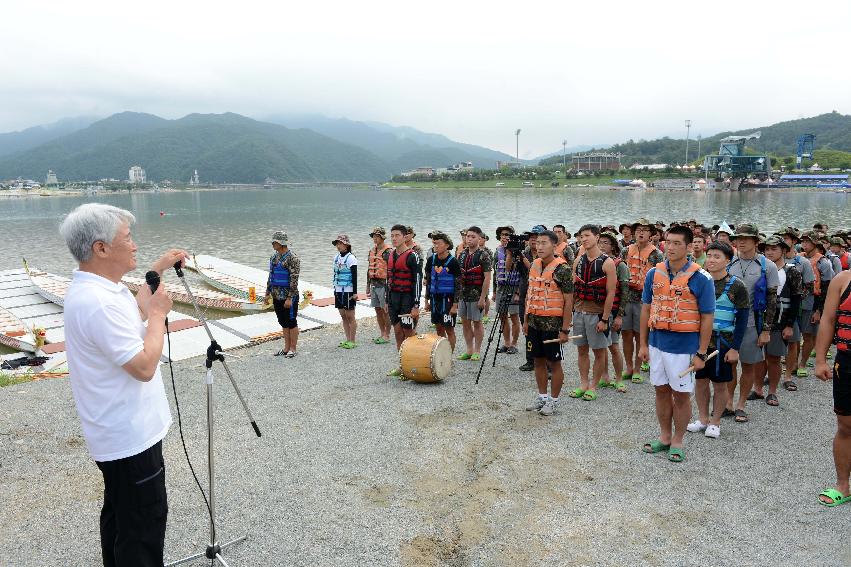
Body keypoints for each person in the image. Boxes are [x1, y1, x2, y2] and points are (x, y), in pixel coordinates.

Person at [60, 203, 187, 567]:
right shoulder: (98, 301)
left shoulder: (102, 289)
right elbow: (144, 366)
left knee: (121, 519)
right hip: (129, 437)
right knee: (142, 530)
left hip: (119, 434)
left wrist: (156, 275)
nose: (134, 245)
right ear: (100, 248)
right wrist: (159, 315)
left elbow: (125, 331)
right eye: (127, 238)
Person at [639, 225, 715, 462]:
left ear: (689, 246)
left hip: (684, 347)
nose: (670, 248)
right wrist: (643, 343)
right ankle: (664, 436)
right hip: (656, 343)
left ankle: (678, 440)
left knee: (681, 395)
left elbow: (707, 317)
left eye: (676, 243)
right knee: (660, 391)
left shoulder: (701, 277)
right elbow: (646, 309)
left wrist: (701, 353)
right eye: (668, 242)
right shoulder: (654, 273)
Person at [687, 242, 749, 439]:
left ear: (728, 260)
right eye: (710, 256)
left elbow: (742, 319)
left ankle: (716, 421)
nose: (712, 260)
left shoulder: (737, 285)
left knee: (720, 384)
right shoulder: (698, 280)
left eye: (717, 257)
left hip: (724, 341)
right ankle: (703, 419)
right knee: (701, 381)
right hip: (700, 341)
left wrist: (735, 348)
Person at [725, 224, 778, 423]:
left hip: (752, 323)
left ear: (756, 241)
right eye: (738, 238)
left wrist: (766, 330)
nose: (741, 241)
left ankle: (741, 404)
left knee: (748, 366)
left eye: (746, 238)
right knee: (728, 364)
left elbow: (773, 300)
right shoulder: (729, 262)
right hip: (729, 323)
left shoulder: (767, 266)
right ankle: (728, 402)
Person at [524, 230, 574, 416]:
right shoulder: (534, 265)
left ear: (554, 245)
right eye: (537, 243)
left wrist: (565, 330)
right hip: (534, 323)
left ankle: (553, 401)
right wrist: (526, 320)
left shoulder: (563, 269)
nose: (539, 246)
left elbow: (569, 301)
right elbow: (530, 294)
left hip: (553, 325)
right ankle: (542, 397)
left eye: (544, 243)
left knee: (554, 363)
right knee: (537, 361)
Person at [814, 270, 851, 507]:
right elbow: (828, 320)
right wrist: (820, 360)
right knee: (846, 425)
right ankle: (843, 485)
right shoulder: (843, 279)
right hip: (847, 361)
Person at [568, 224, 617, 401]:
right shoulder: (578, 261)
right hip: (580, 312)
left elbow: (611, 292)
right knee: (581, 350)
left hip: (597, 314)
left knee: (599, 351)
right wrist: (570, 314)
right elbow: (573, 289)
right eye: (581, 236)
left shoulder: (608, 263)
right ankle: (583, 383)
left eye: (587, 235)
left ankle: (594, 385)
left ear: (597, 237)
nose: (584, 239)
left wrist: (604, 319)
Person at [752, 235, 802, 404]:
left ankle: (772, 391)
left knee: (773, 358)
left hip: (780, 321)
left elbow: (796, 300)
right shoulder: (759, 268)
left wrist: (789, 325)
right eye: (767, 249)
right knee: (758, 357)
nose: (770, 252)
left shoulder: (792, 271)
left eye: (774, 249)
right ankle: (757, 389)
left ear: (783, 250)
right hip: (759, 319)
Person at [621, 218, 664, 383]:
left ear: (651, 234)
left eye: (645, 230)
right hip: (626, 298)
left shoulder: (656, 254)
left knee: (640, 335)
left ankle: (638, 369)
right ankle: (629, 367)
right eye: (638, 229)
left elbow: (660, 278)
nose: (641, 232)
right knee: (626, 334)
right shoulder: (625, 251)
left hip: (644, 300)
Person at [779, 227, 815, 384]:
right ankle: (774, 371)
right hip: (776, 307)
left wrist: (798, 301)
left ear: (794, 241)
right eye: (782, 238)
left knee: (794, 340)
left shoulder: (802, 262)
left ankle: (790, 372)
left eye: (787, 238)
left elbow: (809, 285)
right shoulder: (773, 260)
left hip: (796, 307)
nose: (784, 241)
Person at [386, 225, 423, 376]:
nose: (394, 238)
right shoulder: (391, 255)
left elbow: (417, 281)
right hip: (394, 298)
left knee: (408, 331)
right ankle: (403, 366)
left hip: (407, 298)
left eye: (397, 235)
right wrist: (387, 301)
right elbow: (388, 280)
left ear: (405, 237)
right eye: (392, 235)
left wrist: (416, 305)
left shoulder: (412, 255)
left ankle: (416, 364)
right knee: (397, 332)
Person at [797, 231, 835, 377]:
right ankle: (793, 362)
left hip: (813, 301)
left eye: (808, 242)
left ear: (815, 243)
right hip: (798, 299)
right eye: (803, 242)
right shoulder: (798, 259)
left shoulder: (823, 262)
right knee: (795, 336)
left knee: (808, 335)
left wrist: (819, 310)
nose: (805, 244)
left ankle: (802, 364)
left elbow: (826, 288)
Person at [598, 231, 629, 393]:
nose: (601, 246)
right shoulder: (595, 262)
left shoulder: (620, 265)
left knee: (614, 346)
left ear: (613, 246)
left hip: (614, 311)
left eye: (605, 243)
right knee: (600, 346)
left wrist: (619, 316)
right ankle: (604, 376)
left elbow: (625, 292)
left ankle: (619, 379)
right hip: (598, 311)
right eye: (599, 242)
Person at [457, 226, 492, 361]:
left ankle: (477, 350)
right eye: (468, 236)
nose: (470, 239)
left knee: (477, 323)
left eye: (473, 237)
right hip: (463, 295)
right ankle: (469, 350)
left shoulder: (483, 255)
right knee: (465, 323)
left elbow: (487, 278)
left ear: (479, 238)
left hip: (476, 294)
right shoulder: (462, 254)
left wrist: (483, 298)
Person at [424, 231, 462, 351]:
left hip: (448, 300)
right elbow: (429, 281)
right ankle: (441, 354)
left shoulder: (453, 262)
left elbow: (458, 285)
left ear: (446, 245)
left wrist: (455, 305)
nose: (435, 246)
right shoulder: (431, 260)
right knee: (439, 328)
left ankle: (449, 355)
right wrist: (426, 301)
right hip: (435, 299)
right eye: (434, 243)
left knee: (449, 329)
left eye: (438, 243)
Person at [266, 230, 301, 358]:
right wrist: (267, 293)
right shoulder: (273, 257)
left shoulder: (293, 258)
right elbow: (271, 276)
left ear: (281, 243)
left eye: (275, 242)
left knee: (291, 321)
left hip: (288, 296)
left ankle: (293, 348)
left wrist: (290, 298)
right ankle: (286, 348)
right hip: (276, 295)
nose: (273, 244)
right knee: (282, 322)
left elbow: (294, 279)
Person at [518, 227, 545, 371]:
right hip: (525, 294)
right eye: (531, 237)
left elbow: (535, 271)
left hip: (541, 297)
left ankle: (546, 362)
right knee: (527, 328)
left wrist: (522, 258)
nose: (533, 240)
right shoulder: (524, 252)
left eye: (536, 237)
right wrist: (512, 253)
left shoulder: (547, 255)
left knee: (542, 330)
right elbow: (510, 268)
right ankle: (530, 359)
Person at [493, 226, 521, 354]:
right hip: (501, 286)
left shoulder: (518, 251)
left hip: (514, 286)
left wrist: (518, 292)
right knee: (502, 315)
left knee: (514, 316)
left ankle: (514, 344)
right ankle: (506, 342)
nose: (505, 237)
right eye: (503, 234)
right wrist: (494, 291)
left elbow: (523, 273)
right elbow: (495, 272)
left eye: (508, 235)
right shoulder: (497, 251)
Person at [332, 234, 358, 349]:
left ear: (346, 245)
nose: (338, 246)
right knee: (343, 315)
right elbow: (335, 274)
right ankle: (347, 339)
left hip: (348, 290)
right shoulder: (336, 258)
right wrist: (334, 289)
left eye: (340, 243)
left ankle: (352, 340)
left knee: (350, 316)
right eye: (337, 243)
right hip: (338, 289)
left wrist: (355, 293)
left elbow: (355, 276)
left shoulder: (351, 258)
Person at [366, 227, 392, 344]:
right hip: (374, 285)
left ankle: (387, 334)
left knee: (385, 310)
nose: (375, 239)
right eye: (373, 236)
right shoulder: (371, 251)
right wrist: (367, 285)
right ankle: (382, 333)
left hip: (384, 285)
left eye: (377, 236)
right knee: (377, 309)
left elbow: (391, 270)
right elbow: (369, 269)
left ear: (382, 237)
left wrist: (390, 287)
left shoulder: (388, 252)